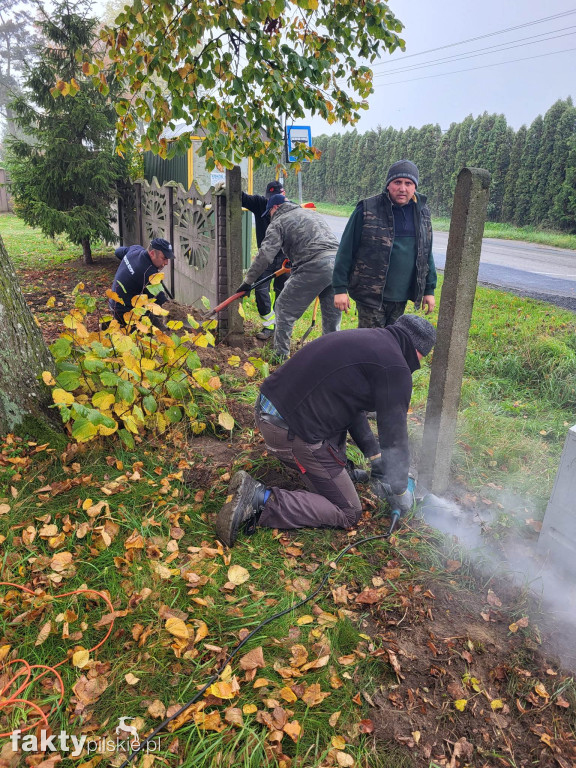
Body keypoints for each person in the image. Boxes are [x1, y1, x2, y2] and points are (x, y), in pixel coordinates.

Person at [215, 314, 436, 547]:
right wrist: (400, 490)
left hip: (270, 409)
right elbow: (395, 437)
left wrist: (375, 456)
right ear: (418, 352)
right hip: (288, 430)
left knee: (333, 422)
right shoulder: (396, 367)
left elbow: (351, 407)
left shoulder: (370, 341)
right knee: (348, 511)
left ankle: (338, 474)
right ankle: (259, 500)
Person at [236, 194, 341, 363]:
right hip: (339, 265)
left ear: (274, 208)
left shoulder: (278, 222)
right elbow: (317, 242)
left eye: (269, 213)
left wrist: (248, 282)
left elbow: (264, 256)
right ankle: (331, 359)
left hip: (313, 266)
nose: (269, 217)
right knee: (331, 319)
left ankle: (280, 358)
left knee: (283, 308)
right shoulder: (311, 213)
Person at [332, 160, 437, 328]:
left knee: (391, 344)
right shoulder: (367, 209)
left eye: (408, 183)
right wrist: (339, 288)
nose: (403, 188)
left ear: (414, 187)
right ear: (388, 185)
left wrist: (429, 290)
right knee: (370, 346)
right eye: (397, 182)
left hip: (401, 296)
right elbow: (346, 250)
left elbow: (426, 253)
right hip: (370, 296)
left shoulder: (422, 213)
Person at [241, 180, 290, 341]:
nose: (272, 202)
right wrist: (226, 187)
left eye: (275, 197)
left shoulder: (292, 210)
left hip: (285, 258)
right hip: (266, 258)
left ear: (283, 194)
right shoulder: (260, 203)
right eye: (270, 198)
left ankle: (279, 327)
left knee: (282, 293)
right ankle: (269, 325)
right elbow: (241, 197)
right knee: (261, 290)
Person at [108, 238, 174, 328]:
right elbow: (162, 302)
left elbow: (118, 252)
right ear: (152, 253)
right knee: (159, 331)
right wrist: (177, 314)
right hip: (124, 311)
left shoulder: (136, 250)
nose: (166, 263)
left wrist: (129, 264)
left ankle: (111, 325)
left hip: (113, 302)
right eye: (164, 258)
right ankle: (117, 326)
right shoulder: (148, 273)